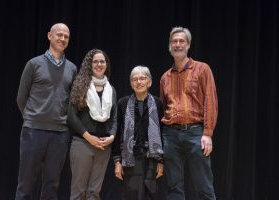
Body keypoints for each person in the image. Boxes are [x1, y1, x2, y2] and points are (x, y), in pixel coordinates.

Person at [15, 23, 77, 200]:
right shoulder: (34, 64)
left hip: (59, 134)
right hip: (33, 131)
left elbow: (71, 101)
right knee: (26, 183)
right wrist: (31, 119)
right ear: (49, 36)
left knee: (51, 185)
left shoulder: (72, 68)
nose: (62, 39)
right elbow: (21, 97)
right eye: (59, 35)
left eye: (66, 36)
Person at [160, 26, 218, 200]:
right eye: (174, 41)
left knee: (203, 184)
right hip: (170, 134)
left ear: (188, 45)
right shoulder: (165, 77)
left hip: (196, 132)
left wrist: (207, 133)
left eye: (181, 41)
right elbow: (164, 105)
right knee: (173, 186)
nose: (178, 44)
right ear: (170, 45)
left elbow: (211, 101)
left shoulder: (202, 69)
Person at [67, 49, 117, 200]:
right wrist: (89, 137)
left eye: (102, 61)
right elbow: (71, 116)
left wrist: (112, 136)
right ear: (90, 64)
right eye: (95, 61)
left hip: (103, 146)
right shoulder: (80, 85)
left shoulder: (111, 89)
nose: (99, 64)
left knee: (94, 193)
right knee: (78, 192)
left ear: (106, 65)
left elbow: (115, 117)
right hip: (83, 143)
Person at [112, 66, 164, 200]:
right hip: (130, 159)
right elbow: (117, 133)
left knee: (150, 195)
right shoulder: (122, 103)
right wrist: (117, 161)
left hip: (151, 159)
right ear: (131, 84)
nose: (139, 82)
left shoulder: (158, 103)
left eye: (142, 78)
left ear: (150, 82)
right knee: (131, 195)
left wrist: (161, 161)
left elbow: (163, 133)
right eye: (135, 79)